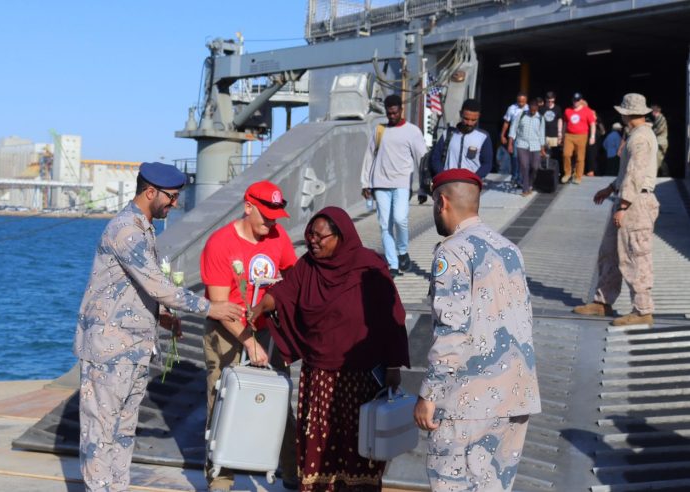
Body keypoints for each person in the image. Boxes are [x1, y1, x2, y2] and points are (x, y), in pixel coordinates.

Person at [73, 162, 245, 492]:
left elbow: (135, 288)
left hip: (131, 349)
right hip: (110, 350)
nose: (175, 203)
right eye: (172, 196)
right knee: (100, 434)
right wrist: (212, 308)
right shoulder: (127, 230)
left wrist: (161, 315)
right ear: (150, 192)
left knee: (122, 433)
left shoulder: (144, 227)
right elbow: (156, 285)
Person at [248, 206, 410, 492]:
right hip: (319, 376)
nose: (313, 241)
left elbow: (392, 317)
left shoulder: (369, 266)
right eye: (310, 234)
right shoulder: (308, 266)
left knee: (361, 445)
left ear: (342, 236)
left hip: (362, 378)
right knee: (319, 445)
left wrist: (394, 366)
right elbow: (285, 292)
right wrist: (264, 304)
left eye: (320, 237)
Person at [414, 168, 541, 492]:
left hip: (469, 400)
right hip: (515, 397)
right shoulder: (509, 248)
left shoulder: (452, 250)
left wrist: (430, 394)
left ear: (442, 202)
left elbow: (452, 330)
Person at [199, 180, 299, 491]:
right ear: (247, 207)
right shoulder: (220, 244)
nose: (270, 223)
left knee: (281, 400)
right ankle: (221, 476)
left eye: (275, 217)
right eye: (266, 215)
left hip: (270, 328)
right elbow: (219, 306)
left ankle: (292, 473)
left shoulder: (278, 236)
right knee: (222, 400)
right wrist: (250, 343)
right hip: (228, 330)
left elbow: (292, 276)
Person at [573, 94, 660, 327]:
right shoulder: (634, 135)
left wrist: (623, 206)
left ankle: (642, 311)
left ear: (627, 113)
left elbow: (636, 175)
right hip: (627, 198)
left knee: (635, 255)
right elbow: (626, 173)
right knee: (610, 252)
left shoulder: (641, 139)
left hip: (635, 204)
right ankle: (602, 302)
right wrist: (610, 188)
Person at [360, 94, 428, 276]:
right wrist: (365, 183)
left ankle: (403, 251)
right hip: (380, 183)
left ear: (401, 110)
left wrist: (423, 187)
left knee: (400, 219)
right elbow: (369, 156)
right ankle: (393, 264)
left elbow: (423, 160)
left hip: (402, 183)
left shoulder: (412, 131)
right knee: (385, 225)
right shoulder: (379, 130)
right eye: (389, 113)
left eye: (395, 113)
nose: (392, 116)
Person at [430, 99, 493, 178]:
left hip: (471, 185)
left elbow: (487, 164)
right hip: (448, 183)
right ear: (460, 114)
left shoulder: (483, 137)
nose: (469, 123)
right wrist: (443, 175)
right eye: (466, 119)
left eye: (473, 120)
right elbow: (435, 158)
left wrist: (474, 178)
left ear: (478, 117)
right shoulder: (447, 134)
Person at [508, 97, 547, 196]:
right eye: (531, 109)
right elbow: (513, 128)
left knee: (534, 167)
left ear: (537, 108)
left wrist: (542, 148)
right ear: (528, 107)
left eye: (535, 110)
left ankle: (530, 184)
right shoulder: (521, 115)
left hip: (536, 145)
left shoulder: (540, 118)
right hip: (522, 144)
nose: (533, 112)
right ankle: (525, 189)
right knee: (524, 166)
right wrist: (510, 143)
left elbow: (542, 134)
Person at [562, 93, 597, 184]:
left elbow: (592, 124)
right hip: (569, 135)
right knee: (566, 154)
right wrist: (562, 135)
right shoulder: (567, 110)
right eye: (574, 100)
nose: (575, 102)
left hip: (582, 135)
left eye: (577, 100)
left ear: (581, 101)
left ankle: (578, 176)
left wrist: (592, 136)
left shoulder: (587, 111)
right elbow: (565, 124)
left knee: (580, 157)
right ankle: (567, 173)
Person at [500, 92, 529, 188]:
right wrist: (502, 135)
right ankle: (515, 177)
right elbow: (506, 122)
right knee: (515, 158)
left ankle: (521, 179)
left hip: (526, 137)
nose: (521, 103)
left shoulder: (529, 109)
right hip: (515, 136)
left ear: (526, 101)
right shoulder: (511, 108)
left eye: (523, 102)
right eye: (519, 101)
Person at [542, 91, 563, 164]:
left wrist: (560, 133)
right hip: (544, 134)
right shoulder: (542, 109)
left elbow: (560, 120)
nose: (550, 102)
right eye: (548, 101)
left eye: (551, 101)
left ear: (554, 99)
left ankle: (555, 171)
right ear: (546, 100)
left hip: (554, 134)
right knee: (544, 153)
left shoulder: (557, 108)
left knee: (555, 154)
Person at [650, 104, 668, 176]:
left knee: (657, 160)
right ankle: (665, 174)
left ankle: (653, 176)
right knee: (660, 159)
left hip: (660, 142)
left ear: (654, 112)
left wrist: (650, 129)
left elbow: (659, 130)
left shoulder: (661, 118)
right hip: (659, 142)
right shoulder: (658, 119)